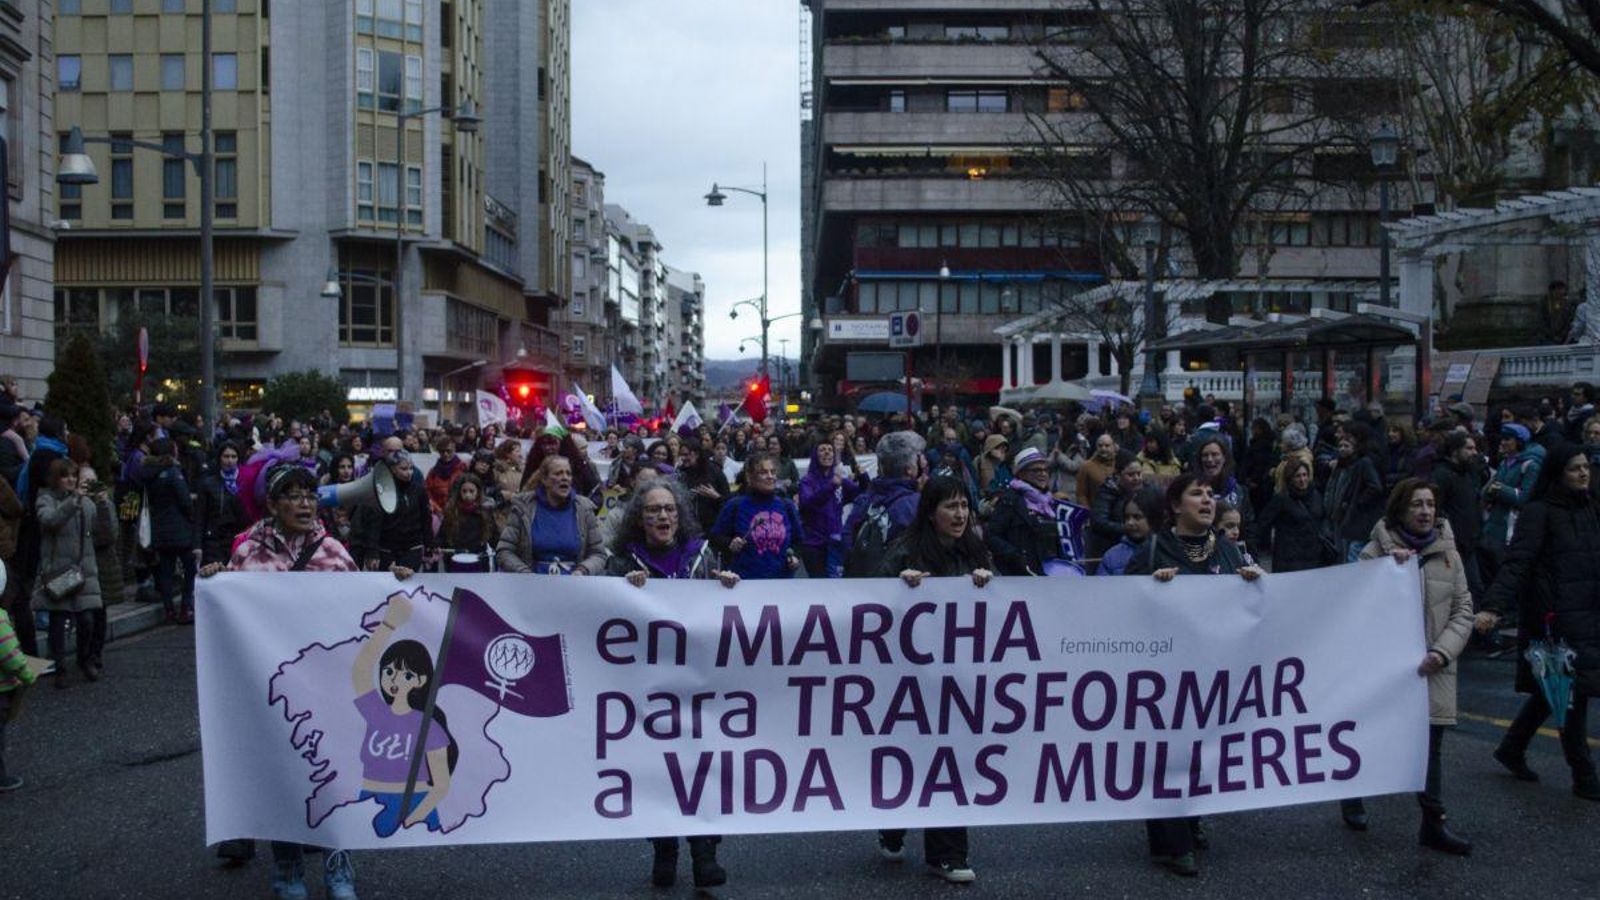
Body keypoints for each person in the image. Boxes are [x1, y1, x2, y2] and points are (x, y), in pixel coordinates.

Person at [200, 463, 410, 899]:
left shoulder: (332, 550)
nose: (304, 503)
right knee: (284, 778)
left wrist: (396, 583)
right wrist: (214, 579)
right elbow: (231, 618)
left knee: (333, 778)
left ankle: (339, 868)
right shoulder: (247, 553)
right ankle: (288, 869)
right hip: (272, 688)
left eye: (310, 495)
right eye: (293, 495)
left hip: (329, 688)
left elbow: (362, 608)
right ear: (273, 505)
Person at [601, 480, 738, 888]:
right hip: (648, 687)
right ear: (639, 520)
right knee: (659, 770)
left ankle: (704, 854)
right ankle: (665, 848)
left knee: (701, 768)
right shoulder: (621, 562)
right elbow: (604, 617)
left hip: (697, 683)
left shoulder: (703, 558)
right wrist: (622, 590)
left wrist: (727, 584)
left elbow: (722, 614)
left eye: (669, 510)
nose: (663, 516)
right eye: (653, 511)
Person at [1125, 474, 1262, 876]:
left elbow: (1259, 607)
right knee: (1168, 753)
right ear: (1175, 506)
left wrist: (1256, 585)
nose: (1207, 500)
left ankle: (1190, 821)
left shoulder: (1231, 553)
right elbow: (1118, 607)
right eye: (1196, 493)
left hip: (1215, 674)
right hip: (1164, 676)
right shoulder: (1153, 549)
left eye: (1210, 494)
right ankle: (1171, 843)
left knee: (1202, 752)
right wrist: (1148, 589)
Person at [1338, 479, 1475, 854]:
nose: (1425, 511)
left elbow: (1463, 609)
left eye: (1430, 504)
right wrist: (1388, 570)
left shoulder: (1449, 553)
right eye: (1417, 504)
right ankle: (1352, 793)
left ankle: (1434, 823)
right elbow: (1357, 613)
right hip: (1387, 674)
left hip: (1432, 669)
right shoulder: (1372, 554)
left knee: (1430, 747)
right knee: (1372, 737)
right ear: (1400, 510)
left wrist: (1442, 653)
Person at [874, 475, 993, 884]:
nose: (960, 515)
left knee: (950, 761)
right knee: (911, 761)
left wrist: (985, 584)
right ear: (931, 512)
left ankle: (947, 854)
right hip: (910, 681)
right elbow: (868, 608)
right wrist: (899, 587)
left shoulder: (975, 550)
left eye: (964, 506)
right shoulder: (903, 552)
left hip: (957, 682)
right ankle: (892, 823)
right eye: (951, 507)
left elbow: (996, 613)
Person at [1477, 444, 1600, 801]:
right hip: (1554, 620)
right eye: (1575, 468)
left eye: (1585, 468)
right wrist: (1494, 607)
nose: (1583, 474)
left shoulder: (1590, 508)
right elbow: (1518, 564)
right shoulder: (1539, 512)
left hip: (1586, 615)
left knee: (1556, 692)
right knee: (1571, 695)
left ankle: (1512, 747)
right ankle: (1584, 775)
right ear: (1558, 474)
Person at [34, 459, 104, 687]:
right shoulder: (46, 499)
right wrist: (73, 501)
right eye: (66, 476)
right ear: (56, 479)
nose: (71, 480)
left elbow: (104, 531)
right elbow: (49, 520)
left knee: (86, 619)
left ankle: (84, 659)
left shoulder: (85, 503)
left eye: (74, 476)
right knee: (58, 620)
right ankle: (60, 667)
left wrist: (104, 504)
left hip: (83, 571)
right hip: (58, 572)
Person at [495, 455, 606, 575]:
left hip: (574, 585)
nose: (565, 478)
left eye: (568, 474)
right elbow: (504, 551)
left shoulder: (584, 509)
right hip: (531, 584)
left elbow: (598, 554)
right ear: (544, 479)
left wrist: (582, 570)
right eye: (558, 473)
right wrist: (523, 572)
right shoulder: (523, 507)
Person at [986, 447, 1087, 576]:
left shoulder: (1050, 503)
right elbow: (991, 536)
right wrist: (1014, 556)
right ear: (1021, 474)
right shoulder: (1009, 500)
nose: (1043, 474)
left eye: (1045, 470)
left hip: (1049, 576)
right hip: (1020, 576)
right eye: (1036, 470)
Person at [842, 432, 925, 576]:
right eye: (919, 457)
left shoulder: (864, 501)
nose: (924, 462)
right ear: (910, 469)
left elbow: (847, 544)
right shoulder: (918, 504)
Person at [709, 452, 802, 580]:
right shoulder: (735, 505)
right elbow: (715, 537)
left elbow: (799, 541)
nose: (770, 476)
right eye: (763, 472)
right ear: (749, 477)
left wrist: (795, 557)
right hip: (745, 584)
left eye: (773, 472)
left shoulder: (786, 505)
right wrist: (730, 543)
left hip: (782, 584)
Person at [1478, 422, 1542, 589]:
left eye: (1508, 439)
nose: (1503, 442)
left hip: (1510, 528)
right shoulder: (1505, 463)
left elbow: (1525, 498)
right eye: (1503, 439)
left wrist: (1501, 490)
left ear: (1519, 441)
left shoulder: (1531, 466)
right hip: (1493, 526)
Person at [142, 438, 197, 624]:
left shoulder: (148, 474)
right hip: (179, 528)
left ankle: (168, 609)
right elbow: (184, 501)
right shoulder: (173, 472)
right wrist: (192, 518)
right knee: (189, 567)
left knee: (165, 570)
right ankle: (186, 606)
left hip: (159, 528)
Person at [352, 451, 436, 573]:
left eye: (411, 468)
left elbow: (425, 519)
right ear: (392, 469)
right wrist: (372, 552)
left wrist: (429, 544)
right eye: (404, 469)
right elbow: (375, 524)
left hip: (412, 548)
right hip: (386, 550)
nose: (409, 473)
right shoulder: (382, 491)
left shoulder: (419, 491)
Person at [796, 439, 860, 578]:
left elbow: (861, 494)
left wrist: (863, 476)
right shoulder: (807, 481)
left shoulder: (839, 479)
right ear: (815, 455)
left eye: (830, 450)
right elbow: (808, 504)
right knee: (819, 585)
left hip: (835, 544)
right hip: (814, 544)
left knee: (836, 586)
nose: (827, 453)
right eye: (822, 450)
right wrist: (831, 486)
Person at [1255, 457, 1330, 573]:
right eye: (1298, 476)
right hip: (1289, 561)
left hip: (1315, 557)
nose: (1302, 479)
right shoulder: (1281, 499)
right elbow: (1262, 524)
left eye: (1305, 475)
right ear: (1290, 478)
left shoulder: (1316, 495)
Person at [1324, 424, 1385, 563]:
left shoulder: (1364, 462)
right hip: (1354, 516)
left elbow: (1375, 487)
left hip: (1360, 518)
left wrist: (1357, 502)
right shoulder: (1356, 461)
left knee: (1353, 553)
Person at [1087, 450, 1144, 565]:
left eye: (1139, 473)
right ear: (1118, 475)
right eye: (1131, 474)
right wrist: (1129, 529)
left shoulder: (1146, 491)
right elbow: (1099, 522)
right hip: (1108, 548)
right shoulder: (1106, 492)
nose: (1137, 478)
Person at [1097, 488, 1161, 576]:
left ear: (1153, 519)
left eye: (1137, 517)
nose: (1130, 522)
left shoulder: (1166, 551)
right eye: (1127, 517)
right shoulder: (1112, 556)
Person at [437, 475, 495, 565]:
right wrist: (436, 545)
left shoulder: (485, 512)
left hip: (478, 560)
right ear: (459, 492)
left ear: (478, 492)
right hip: (455, 560)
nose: (467, 495)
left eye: (471, 491)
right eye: (464, 491)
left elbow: (494, 536)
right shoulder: (452, 511)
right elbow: (442, 535)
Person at [1076, 433, 1118, 510]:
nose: (1103, 448)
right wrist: (1087, 512)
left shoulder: (1121, 463)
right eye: (1100, 446)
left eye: (1107, 445)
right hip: (1096, 512)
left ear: (1113, 447)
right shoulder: (1086, 467)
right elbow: (1081, 494)